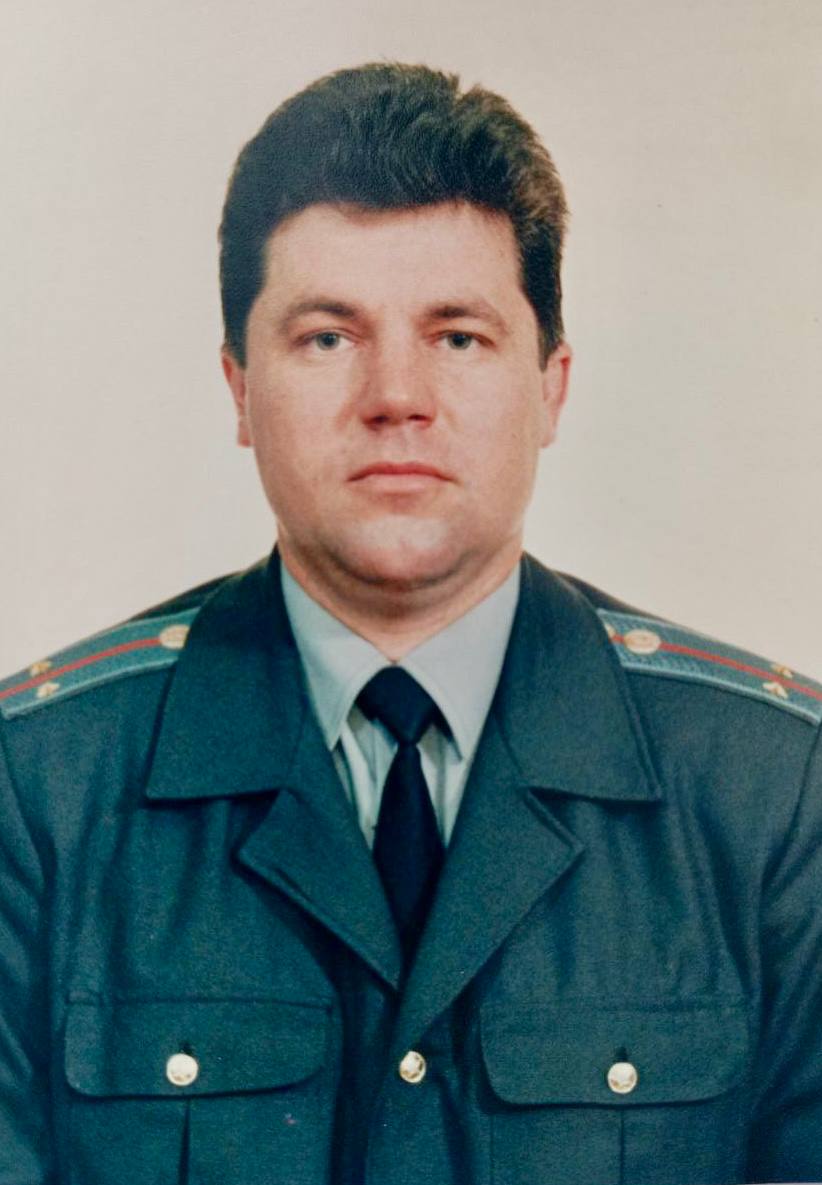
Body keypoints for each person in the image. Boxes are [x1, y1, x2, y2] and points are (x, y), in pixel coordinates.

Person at [0, 62, 820, 1185]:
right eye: (327, 337)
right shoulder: (36, 793)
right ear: (239, 389)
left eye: (458, 336)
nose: (396, 395)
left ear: (551, 386)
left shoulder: (773, 794)